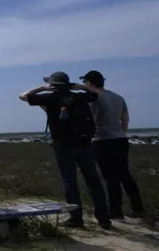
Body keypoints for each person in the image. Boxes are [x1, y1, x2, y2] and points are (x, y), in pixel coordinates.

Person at [19, 71, 111, 229]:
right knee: (93, 181)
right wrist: (81, 87)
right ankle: (103, 219)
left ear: (53, 84)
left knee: (70, 182)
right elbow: (99, 94)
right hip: (83, 142)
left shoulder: (49, 98)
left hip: (62, 144)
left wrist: (42, 88)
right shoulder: (80, 96)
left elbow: (23, 96)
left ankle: (76, 219)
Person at [80, 70, 144, 218]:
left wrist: (88, 136)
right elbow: (125, 119)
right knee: (124, 174)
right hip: (120, 139)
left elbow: (93, 120)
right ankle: (137, 207)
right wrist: (120, 133)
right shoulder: (118, 97)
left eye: (85, 82)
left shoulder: (95, 99)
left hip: (102, 140)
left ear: (90, 83)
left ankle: (115, 210)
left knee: (110, 177)